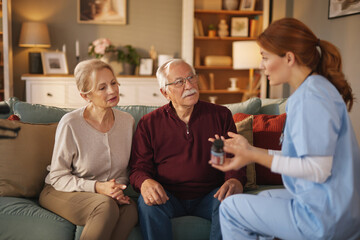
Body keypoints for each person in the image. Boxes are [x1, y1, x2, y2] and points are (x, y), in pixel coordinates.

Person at [210, 18, 360, 240]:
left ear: (289, 57)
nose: (261, 65)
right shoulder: (315, 89)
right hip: (338, 208)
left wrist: (253, 155)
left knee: (231, 209)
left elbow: (317, 169)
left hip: (325, 216)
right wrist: (251, 152)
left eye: (265, 58)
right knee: (265, 199)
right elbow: (303, 156)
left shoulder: (310, 98)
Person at [129, 59, 247, 240]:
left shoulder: (221, 115)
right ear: (165, 92)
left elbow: (235, 158)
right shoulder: (148, 123)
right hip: (168, 196)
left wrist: (235, 181)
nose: (189, 85)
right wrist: (145, 182)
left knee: (229, 200)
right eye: (179, 82)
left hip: (211, 194)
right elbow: (139, 168)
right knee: (148, 205)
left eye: (191, 77)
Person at [39, 59, 138, 240]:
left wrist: (115, 189)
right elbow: (58, 176)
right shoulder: (71, 123)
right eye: (102, 87)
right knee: (105, 206)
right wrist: (98, 187)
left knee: (130, 208)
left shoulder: (127, 121)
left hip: (104, 194)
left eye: (113, 83)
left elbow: (124, 170)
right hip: (60, 190)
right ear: (86, 96)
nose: (112, 90)